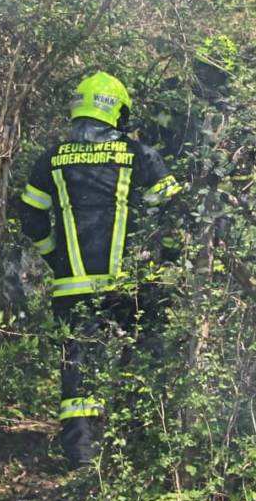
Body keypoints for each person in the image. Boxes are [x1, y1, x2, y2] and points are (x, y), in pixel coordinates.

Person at [17, 71, 183, 466]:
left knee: (78, 370)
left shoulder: (52, 159)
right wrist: (167, 260)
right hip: (131, 285)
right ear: (118, 113)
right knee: (145, 353)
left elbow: (30, 216)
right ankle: (140, 447)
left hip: (72, 287)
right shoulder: (138, 155)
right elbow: (175, 211)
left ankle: (81, 458)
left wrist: (55, 257)